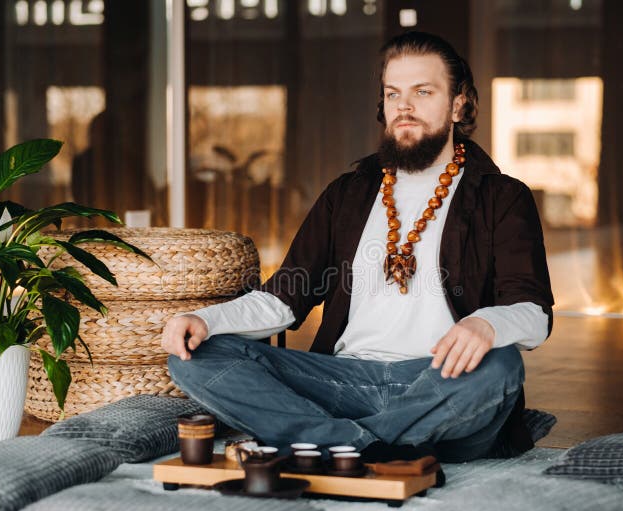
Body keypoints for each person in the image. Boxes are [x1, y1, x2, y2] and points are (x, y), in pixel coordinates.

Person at [162, 31, 554, 463]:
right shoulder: (347, 194)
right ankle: (374, 447)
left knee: (501, 368)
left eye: (423, 92)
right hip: (340, 381)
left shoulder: (501, 196)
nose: (404, 107)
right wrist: (204, 318)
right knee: (194, 356)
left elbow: (534, 315)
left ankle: (325, 441)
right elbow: (284, 299)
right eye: (393, 94)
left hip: (438, 381)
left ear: (458, 103)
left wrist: (487, 324)